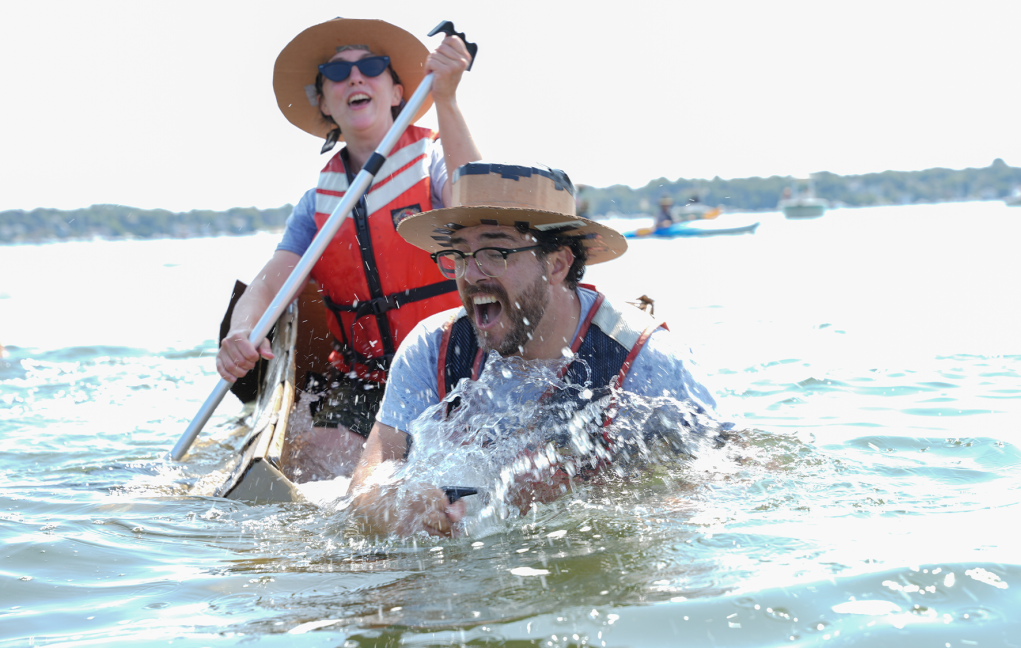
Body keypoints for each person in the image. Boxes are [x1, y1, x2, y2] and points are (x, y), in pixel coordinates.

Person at [345, 162, 722, 537]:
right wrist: (396, 504)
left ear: (557, 264)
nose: (470, 274)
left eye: (494, 252)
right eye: (460, 255)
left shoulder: (645, 360)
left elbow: (717, 484)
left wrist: (585, 500)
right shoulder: (433, 347)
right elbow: (366, 481)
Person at [216, 18, 482, 479]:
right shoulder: (316, 205)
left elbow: (476, 211)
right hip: (369, 378)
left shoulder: (436, 161)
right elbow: (266, 289)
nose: (355, 77)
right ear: (324, 102)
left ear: (397, 93)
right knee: (317, 459)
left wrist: (447, 99)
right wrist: (240, 333)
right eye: (337, 73)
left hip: (462, 363)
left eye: (371, 67)